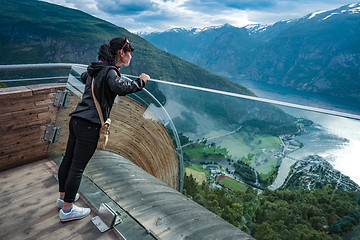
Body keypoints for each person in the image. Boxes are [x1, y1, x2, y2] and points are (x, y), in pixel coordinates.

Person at [56, 37, 150, 222]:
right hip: (90, 124)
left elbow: (85, 77)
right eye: (129, 52)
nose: (130, 56)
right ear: (121, 53)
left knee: (68, 161)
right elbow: (120, 87)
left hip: (76, 119)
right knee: (77, 168)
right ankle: (67, 210)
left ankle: (62, 198)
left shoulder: (95, 69)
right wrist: (141, 81)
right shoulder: (110, 72)